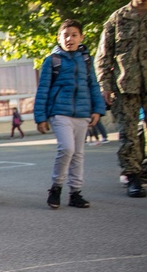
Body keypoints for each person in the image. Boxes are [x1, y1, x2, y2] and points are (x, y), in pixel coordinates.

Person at [95, 0, 147, 196]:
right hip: (126, 86)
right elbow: (103, 55)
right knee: (129, 133)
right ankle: (133, 177)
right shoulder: (118, 19)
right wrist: (105, 85)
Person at [34, 19, 106, 209]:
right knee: (67, 149)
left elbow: (93, 85)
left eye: (74, 35)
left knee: (78, 154)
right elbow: (43, 90)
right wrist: (40, 117)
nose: (70, 39)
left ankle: (75, 193)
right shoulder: (52, 60)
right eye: (65, 35)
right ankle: (56, 188)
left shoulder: (85, 60)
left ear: (81, 37)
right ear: (59, 38)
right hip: (59, 112)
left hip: (82, 113)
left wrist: (98, 109)